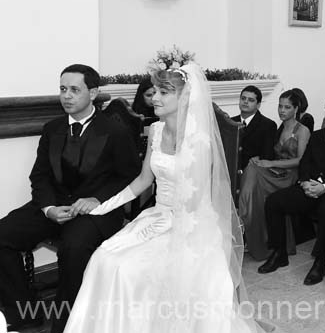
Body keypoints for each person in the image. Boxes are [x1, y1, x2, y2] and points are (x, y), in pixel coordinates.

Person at [64, 64, 264, 333]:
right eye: (155, 91)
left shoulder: (199, 141)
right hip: (158, 216)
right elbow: (143, 180)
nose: (155, 97)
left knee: (126, 269)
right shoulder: (156, 131)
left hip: (191, 227)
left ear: (185, 97)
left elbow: (194, 203)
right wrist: (103, 206)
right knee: (104, 257)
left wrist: (162, 227)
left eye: (163, 92)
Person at [0, 65, 141, 332]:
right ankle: (24, 313)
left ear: (93, 92)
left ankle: (66, 324)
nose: (67, 96)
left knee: (73, 249)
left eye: (75, 90)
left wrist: (97, 199)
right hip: (55, 205)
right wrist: (48, 207)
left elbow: (129, 176)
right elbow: (39, 176)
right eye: (63, 89)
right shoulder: (52, 128)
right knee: (2, 234)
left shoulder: (115, 131)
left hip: (95, 212)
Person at [258, 95, 325, 285]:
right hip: (309, 186)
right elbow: (305, 163)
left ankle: (319, 263)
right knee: (274, 202)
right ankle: (279, 252)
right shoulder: (317, 136)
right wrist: (305, 182)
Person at [238, 90, 311, 261]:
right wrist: (262, 160)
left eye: (287, 107)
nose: (282, 110)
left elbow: (301, 161)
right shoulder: (279, 129)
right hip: (275, 174)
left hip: (290, 176)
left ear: (296, 109)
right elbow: (269, 155)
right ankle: (250, 222)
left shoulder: (302, 130)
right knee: (252, 165)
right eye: (280, 106)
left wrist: (271, 163)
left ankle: (243, 215)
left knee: (253, 171)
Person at [232, 85, 277, 170]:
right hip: (230, 171)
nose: (245, 102)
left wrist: (258, 158)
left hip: (254, 172)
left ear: (258, 105)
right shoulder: (231, 122)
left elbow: (268, 156)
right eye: (243, 98)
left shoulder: (268, 125)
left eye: (251, 100)